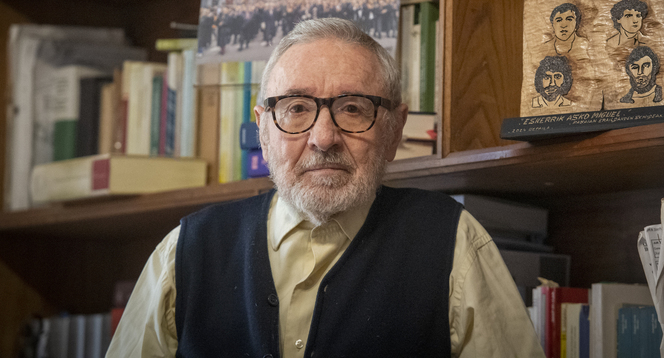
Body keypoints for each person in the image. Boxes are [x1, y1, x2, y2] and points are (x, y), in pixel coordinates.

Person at [107, 18, 544, 358]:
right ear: (262, 131)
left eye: (352, 109)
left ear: (394, 132)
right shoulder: (185, 251)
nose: (323, 137)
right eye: (296, 108)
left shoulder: (453, 242)